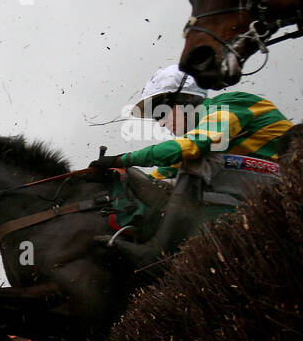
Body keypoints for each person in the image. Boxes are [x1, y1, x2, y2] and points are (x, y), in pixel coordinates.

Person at [91, 64, 292, 267]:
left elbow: (194, 146)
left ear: (187, 98)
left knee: (198, 158)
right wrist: (117, 179)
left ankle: (156, 253)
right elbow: (154, 180)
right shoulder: (196, 133)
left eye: (161, 114)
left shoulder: (228, 105)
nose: (160, 123)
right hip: (252, 194)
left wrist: (123, 159)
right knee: (159, 185)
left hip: (286, 186)